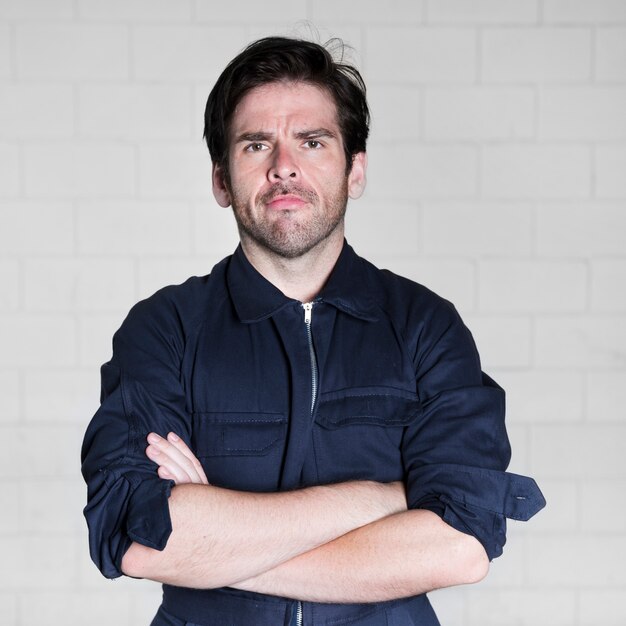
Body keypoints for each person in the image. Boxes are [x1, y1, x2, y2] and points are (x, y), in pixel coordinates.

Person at [81, 36, 545, 626]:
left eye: (313, 141)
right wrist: (387, 499)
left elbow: (462, 545)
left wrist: (213, 549)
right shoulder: (165, 329)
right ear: (222, 180)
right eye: (256, 144)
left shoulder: (426, 328)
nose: (284, 166)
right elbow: (137, 535)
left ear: (355, 171)